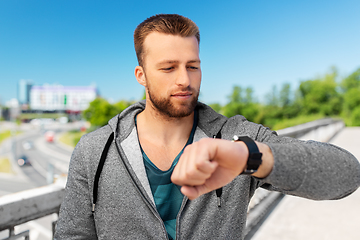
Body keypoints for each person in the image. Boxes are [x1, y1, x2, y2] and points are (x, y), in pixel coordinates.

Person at [54, 14, 360, 240]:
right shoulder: (96, 149)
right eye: (168, 67)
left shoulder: (236, 138)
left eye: (193, 66)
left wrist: (249, 158)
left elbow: (346, 174)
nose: (184, 80)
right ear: (141, 75)